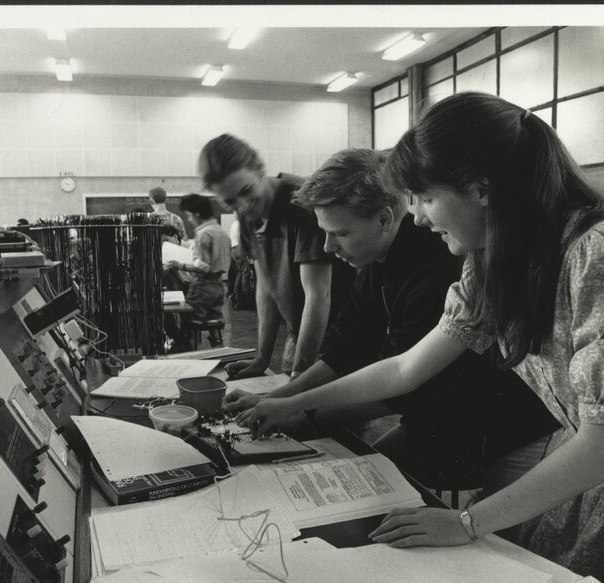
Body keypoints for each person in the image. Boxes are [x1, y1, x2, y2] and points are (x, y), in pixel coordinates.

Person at [239, 92, 604, 583]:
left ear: (482, 189)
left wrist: (466, 522)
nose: (417, 217)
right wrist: (291, 404)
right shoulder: (492, 258)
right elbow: (404, 369)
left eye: (426, 198)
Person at [224, 148, 560, 490]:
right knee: (366, 479)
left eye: (340, 233)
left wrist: (299, 412)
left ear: (384, 219)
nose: (327, 247)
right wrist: (281, 398)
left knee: (374, 488)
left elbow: (403, 385)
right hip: (438, 417)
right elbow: (348, 346)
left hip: (499, 430)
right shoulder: (377, 261)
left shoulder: (441, 265)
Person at [198, 134, 352, 379]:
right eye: (231, 202)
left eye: (246, 191)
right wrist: (262, 358)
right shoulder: (248, 213)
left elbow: (318, 295)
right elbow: (266, 287)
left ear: (259, 169)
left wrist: (300, 373)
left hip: (341, 339)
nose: (243, 205)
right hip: (298, 332)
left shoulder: (303, 202)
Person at [166, 193, 231, 322]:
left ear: (197, 214)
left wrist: (180, 265)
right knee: (212, 319)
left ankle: (185, 335)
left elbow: (203, 267)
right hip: (220, 286)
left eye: (189, 215)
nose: (189, 220)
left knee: (183, 318)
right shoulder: (222, 231)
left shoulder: (203, 234)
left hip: (203, 287)